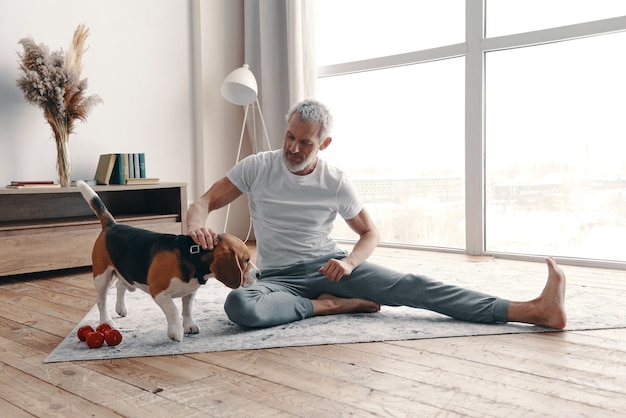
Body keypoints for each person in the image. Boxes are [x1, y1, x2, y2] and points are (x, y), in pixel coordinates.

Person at [186, 99, 567, 330]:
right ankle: (329, 306)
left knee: (415, 285)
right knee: (239, 305)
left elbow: (370, 233)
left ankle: (533, 310)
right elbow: (203, 201)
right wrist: (196, 227)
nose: (293, 148)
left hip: (329, 268)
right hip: (278, 279)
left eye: (305, 142)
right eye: (289, 136)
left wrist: (349, 263)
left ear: (324, 143)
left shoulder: (335, 181)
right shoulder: (257, 167)